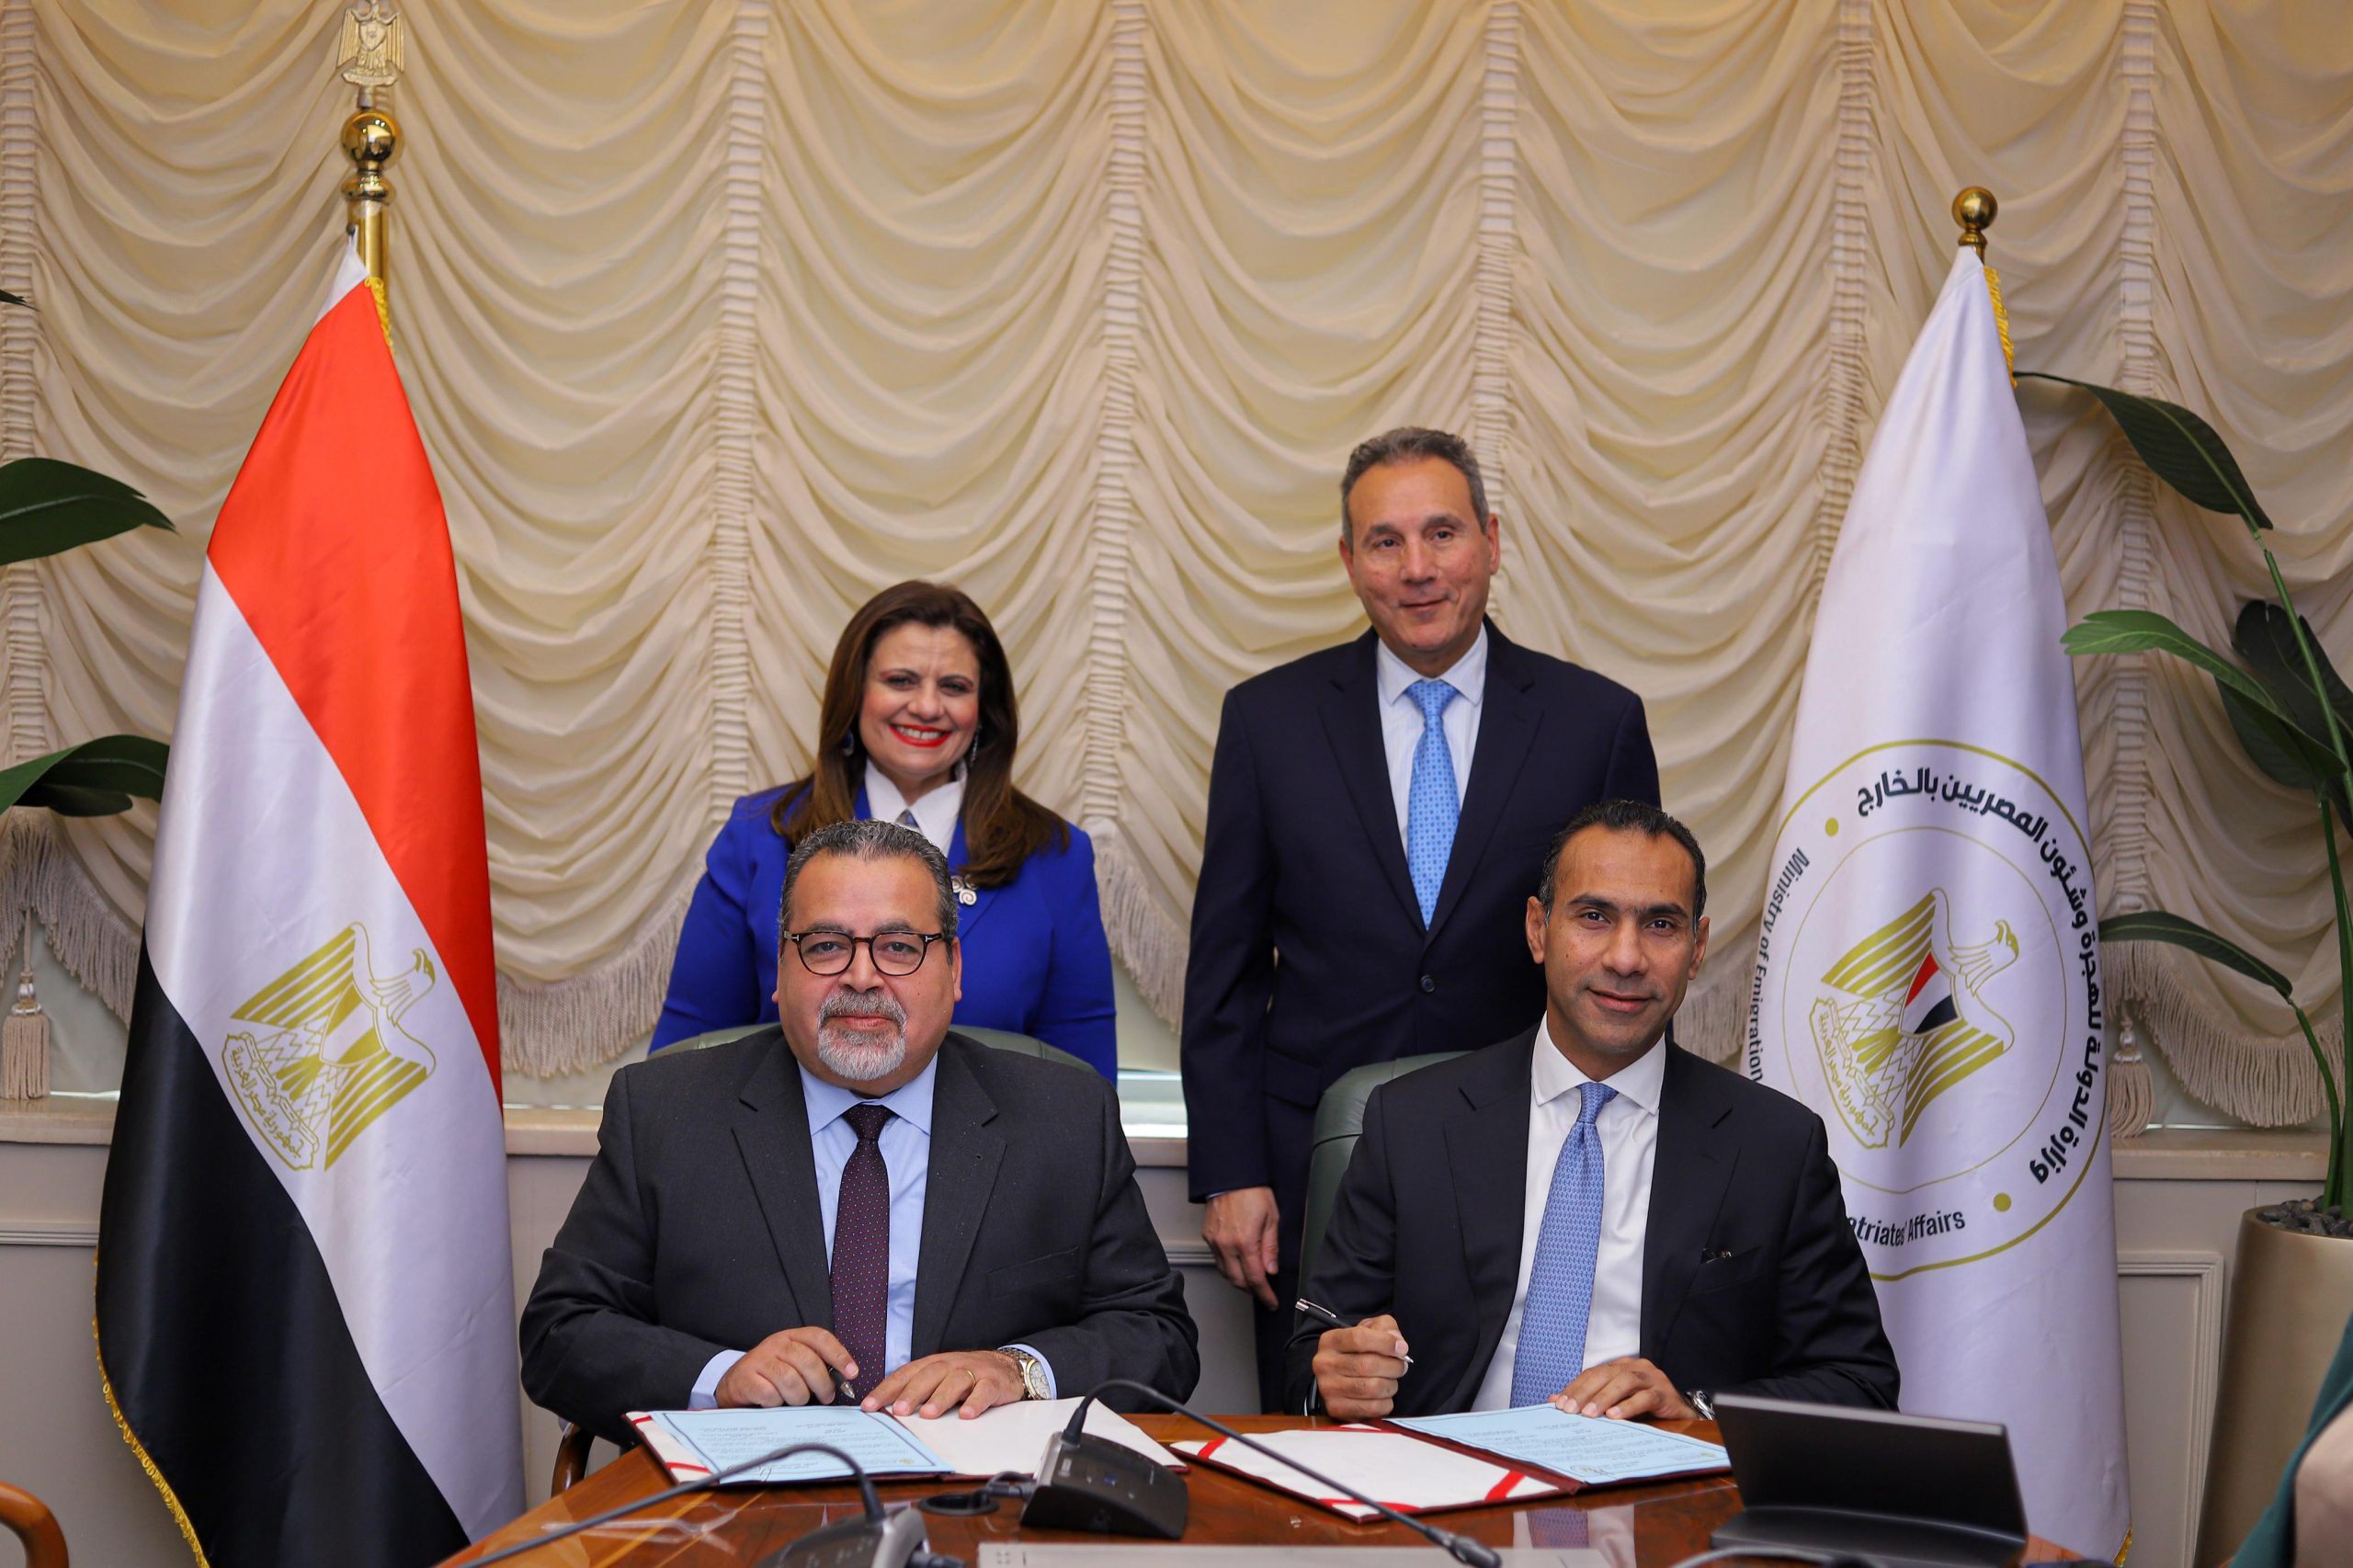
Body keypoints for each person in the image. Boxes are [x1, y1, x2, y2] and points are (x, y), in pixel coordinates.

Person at [1183, 426, 1661, 1406]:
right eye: (1385, 541)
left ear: (1491, 539)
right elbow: (1224, 968)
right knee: (1325, 1435)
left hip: (1526, 1154)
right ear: (1347, 559)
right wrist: (1230, 1170)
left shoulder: (1594, 722)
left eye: (1441, 533)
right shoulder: (1268, 720)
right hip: (1312, 1169)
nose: (1417, 568)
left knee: (1513, 1421)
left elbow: (1630, 954)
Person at [523, 820, 1197, 1441]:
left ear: (954, 970)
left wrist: (1017, 1370)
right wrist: (718, 1379)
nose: (862, 976)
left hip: (981, 1501)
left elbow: (1159, 1336)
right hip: (742, 1499)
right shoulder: (664, 1112)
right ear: (781, 971)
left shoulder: (1065, 1116)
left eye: (900, 946)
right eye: (826, 946)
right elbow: (560, 1335)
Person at [1293, 800, 1897, 1420]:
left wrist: (1694, 1408)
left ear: (1697, 948)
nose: (1625, 958)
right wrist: (1340, 1376)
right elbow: (1314, 1354)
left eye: (1660, 924)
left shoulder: (1775, 1147)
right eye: (1594, 917)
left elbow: (1860, 1383)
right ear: (1538, 929)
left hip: (1661, 1476)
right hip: (1448, 1470)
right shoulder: (1411, 1122)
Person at [654, 581, 1118, 1079]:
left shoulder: (1055, 855)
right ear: (855, 695)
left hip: (993, 1132)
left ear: (984, 710)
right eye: (900, 680)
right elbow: (688, 1059)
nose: (927, 706)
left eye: (954, 687)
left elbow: (1081, 1083)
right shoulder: (757, 837)